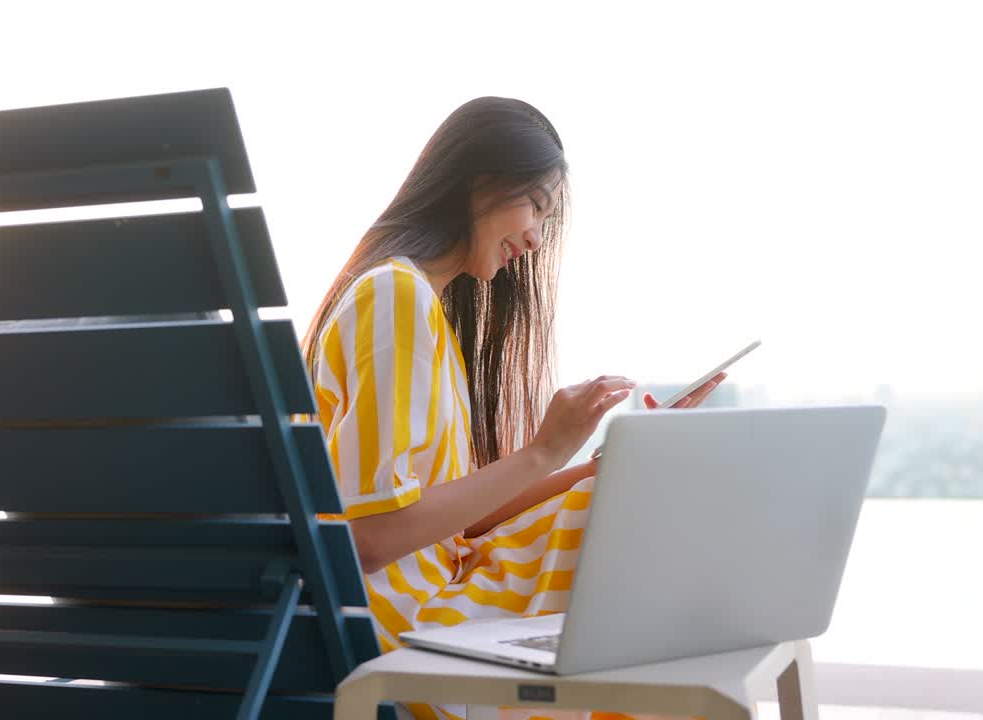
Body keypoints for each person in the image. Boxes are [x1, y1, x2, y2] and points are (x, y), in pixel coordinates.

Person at [303, 97, 724, 720]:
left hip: (427, 594)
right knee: (642, 535)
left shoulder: (418, 308)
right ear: (480, 179)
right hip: (401, 621)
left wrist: (606, 464)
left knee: (625, 498)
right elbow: (370, 540)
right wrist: (544, 450)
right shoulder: (394, 295)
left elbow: (453, 523)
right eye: (535, 205)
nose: (534, 238)